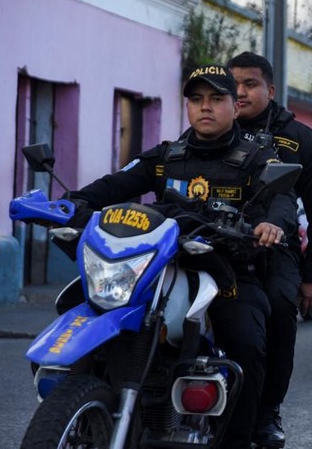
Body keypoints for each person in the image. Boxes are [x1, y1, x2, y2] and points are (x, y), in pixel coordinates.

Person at [63, 64, 297, 449]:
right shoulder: (165, 156)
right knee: (89, 308)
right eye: (196, 99)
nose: (205, 107)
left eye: (216, 99)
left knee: (245, 340)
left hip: (226, 273)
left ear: (234, 107)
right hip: (153, 270)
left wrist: (272, 223)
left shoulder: (257, 158)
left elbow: (282, 198)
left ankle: (242, 435)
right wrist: (70, 204)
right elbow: (114, 184)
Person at [227, 51, 312, 449]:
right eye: (233, 84)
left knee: (277, 306)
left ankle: (266, 411)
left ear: (270, 90)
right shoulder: (210, 131)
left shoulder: (302, 140)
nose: (239, 93)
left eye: (250, 84)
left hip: (277, 252)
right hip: (211, 243)